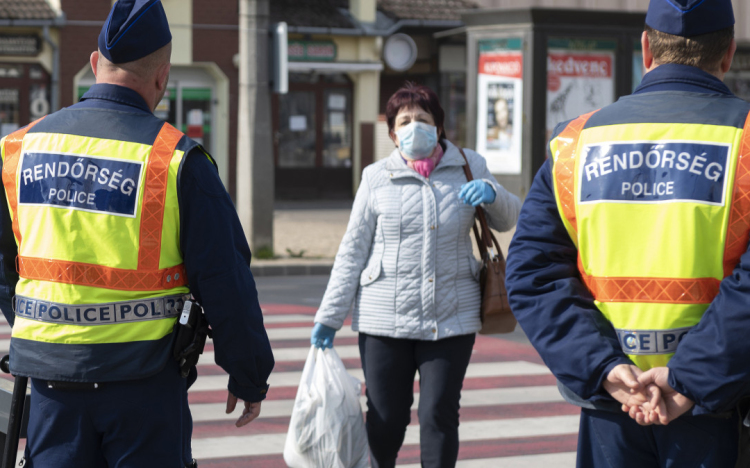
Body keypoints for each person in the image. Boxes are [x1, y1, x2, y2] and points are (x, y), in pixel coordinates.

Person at [0, 1, 274, 467]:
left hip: (49, 386)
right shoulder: (177, 160)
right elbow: (225, 278)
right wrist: (248, 374)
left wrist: (43, 331)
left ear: (93, 64)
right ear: (162, 78)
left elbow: (6, 271)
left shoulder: (18, 149)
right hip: (144, 387)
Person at [505, 0, 748, 466]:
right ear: (729, 53)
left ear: (646, 50)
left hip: (613, 406)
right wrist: (687, 381)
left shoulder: (575, 143)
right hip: (721, 407)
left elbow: (531, 273)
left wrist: (606, 369)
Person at [310, 83, 521, 468]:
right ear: (392, 133)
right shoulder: (375, 177)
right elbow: (352, 250)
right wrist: (328, 316)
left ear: (439, 126)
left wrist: (492, 193)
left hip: (451, 318)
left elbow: (510, 218)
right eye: (404, 121)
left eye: (422, 119)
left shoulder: (469, 165)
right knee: (387, 418)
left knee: (438, 415)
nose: (413, 127)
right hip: (384, 321)